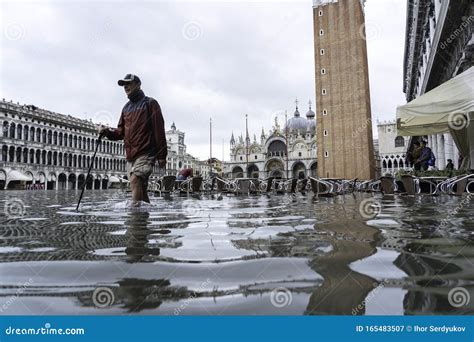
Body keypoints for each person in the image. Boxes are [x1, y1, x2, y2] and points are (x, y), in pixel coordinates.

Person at [98, 74, 167, 204]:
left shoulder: (150, 103)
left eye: (128, 83)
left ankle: (134, 219)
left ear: (138, 84)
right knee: (141, 188)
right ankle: (144, 219)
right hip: (131, 157)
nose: (125, 86)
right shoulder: (126, 108)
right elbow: (120, 132)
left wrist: (162, 155)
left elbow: (159, 129)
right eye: (123, 84)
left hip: (146, 153)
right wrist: (106, 132)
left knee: (135, 180)